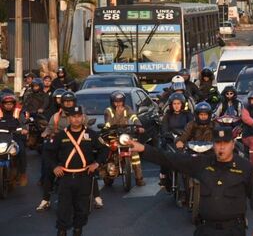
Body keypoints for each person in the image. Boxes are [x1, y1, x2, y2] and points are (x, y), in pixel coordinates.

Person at [131, 126, 253, 236]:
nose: (221, 147)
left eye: (225, 143)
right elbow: (170, 159)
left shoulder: (245, 167)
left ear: (233, 144)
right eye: (218, 143)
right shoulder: (202, 163)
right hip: (205, 229)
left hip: (233, 230)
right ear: (213, 145)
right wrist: (143, 149)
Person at [43, 105, 107, 236]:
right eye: (73, 117)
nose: (76, 120)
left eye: (79, 117)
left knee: (82, 209)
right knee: (63, 208)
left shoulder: (91, 134)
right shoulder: (60, 136)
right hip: (65, 177)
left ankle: (78, 230)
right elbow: (48, 152)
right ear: (69, 119)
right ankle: (62, 231)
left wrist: (97, 163)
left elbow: (104, 149)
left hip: (84, 176)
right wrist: (55, 166)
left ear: (83, 118)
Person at [102, 91, 146, 186]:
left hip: (125, 135)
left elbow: (134, 117)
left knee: (135, 154)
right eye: (116, 102)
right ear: (112, 102)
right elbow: (109, 123)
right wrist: (118, 114)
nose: (118, 104)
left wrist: (139, 126)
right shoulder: (108, 110)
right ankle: (106, 171)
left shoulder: (127, 108)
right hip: (112, 135)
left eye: (120, 101)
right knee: (106, 150)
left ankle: (139, 178)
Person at [159, 92, 194, 189]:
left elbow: (193, 127)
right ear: (171, 105)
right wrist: (167, 135)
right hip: (171, 141)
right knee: (164, 153)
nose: (177, 106)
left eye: (178, 103)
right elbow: (164, 129)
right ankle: (163, 175)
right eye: (174, 104)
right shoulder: (167, 116)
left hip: (185, 141)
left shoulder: (188, 115)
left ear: (182, 104)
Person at [0, 93, 28, 186]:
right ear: (2, 104)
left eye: (10, 103)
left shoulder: (18, 111)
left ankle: (22, 174)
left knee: (22, 151)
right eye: (6, 103)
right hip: (1, 137)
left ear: (13, 104)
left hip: (14, 136)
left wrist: (24, 129)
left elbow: (23, 123)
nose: (8, 105)